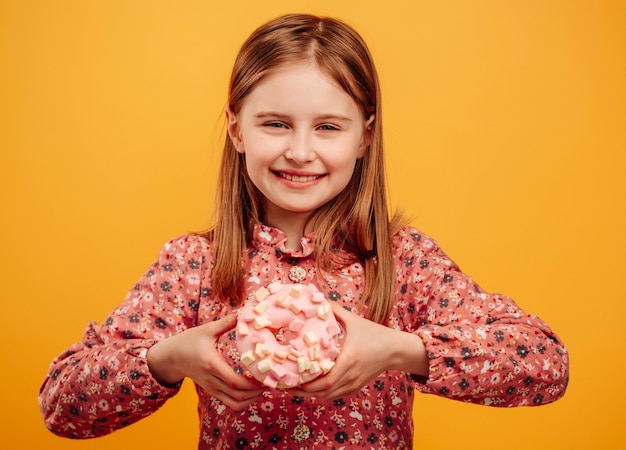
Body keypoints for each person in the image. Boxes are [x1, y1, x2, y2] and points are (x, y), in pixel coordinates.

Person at [39, 13, 569, 449]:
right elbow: (61, 404)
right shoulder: (192, 265)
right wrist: (166, 359)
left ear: (365, 136)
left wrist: (402, 350)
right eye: (275, 123)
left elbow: (544, 362)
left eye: (328, 127)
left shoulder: (401, 260)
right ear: (235, 128)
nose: (299, 150)